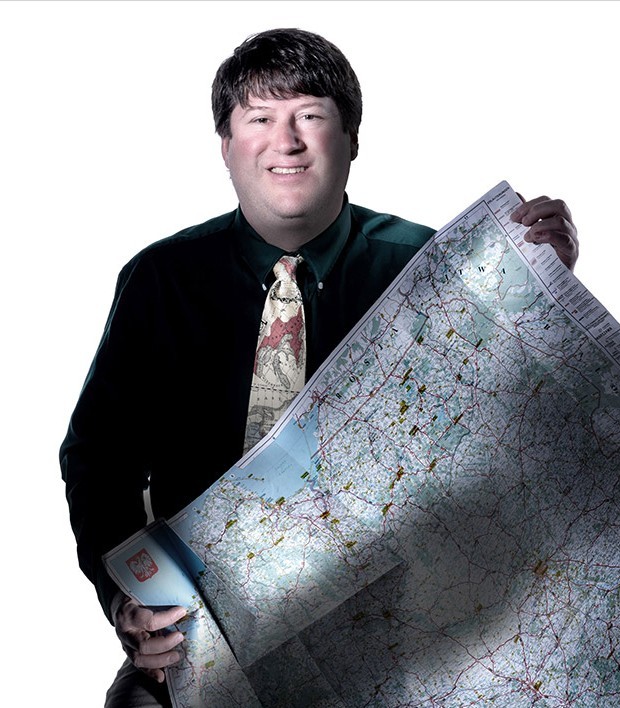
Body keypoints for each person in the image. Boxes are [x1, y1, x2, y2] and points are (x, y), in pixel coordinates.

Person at [60, 28, 579, 707]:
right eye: (260, 119)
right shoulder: (162, 279)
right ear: (226, 146)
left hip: (399, 637)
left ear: (351, 138)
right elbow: (101, 461)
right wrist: (126, 599)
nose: (287, 140)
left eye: (310, 115)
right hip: (211, 639)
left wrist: (547, 286)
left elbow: (512, 430)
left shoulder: (432, 267)